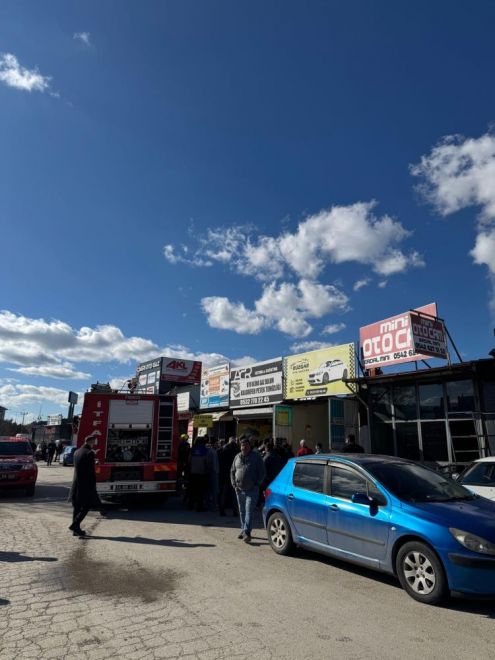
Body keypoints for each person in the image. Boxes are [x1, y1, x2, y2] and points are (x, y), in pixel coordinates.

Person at [230, 436, 266, 544]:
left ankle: (247, 532)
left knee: (249, 511)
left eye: (246, 445)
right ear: (240, 446)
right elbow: (232, 471)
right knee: (242, 511)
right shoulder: (237, 457)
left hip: (252, 490)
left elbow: (262, 472)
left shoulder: (256, 457)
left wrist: (257, 484)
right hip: (239, 489)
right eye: (242, 445)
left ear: (250, 446)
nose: (244, 447)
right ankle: (243, 529)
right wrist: (234, 484)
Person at [69, 435, 100, 537]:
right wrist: (93, 486)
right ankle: (74, 525)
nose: (95, 443)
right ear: (91, 442)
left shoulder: (77, 451)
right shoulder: (90, 453)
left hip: (76, 484)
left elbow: (79, 466)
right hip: (85, 485)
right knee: (87, 506)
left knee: (77, 507)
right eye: (94, 441)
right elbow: (90, 471)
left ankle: (76, 530)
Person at [218, 437, 239, 516]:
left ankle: (222, 509)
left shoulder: (222, 450)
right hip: (234, 474)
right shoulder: (236, 450)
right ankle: (235, 510)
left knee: (224, 493)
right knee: (234, 493)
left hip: (225, 474)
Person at [187, 436, 209, 511]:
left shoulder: (192, 450)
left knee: (192, 489)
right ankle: (200, 506)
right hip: (201, 473)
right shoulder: (205, 450)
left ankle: (190, 505)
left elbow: (189, 461)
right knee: (200, 490)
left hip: (192, 473)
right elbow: (207, 462)